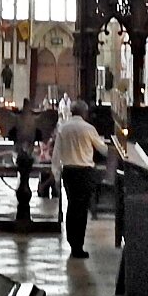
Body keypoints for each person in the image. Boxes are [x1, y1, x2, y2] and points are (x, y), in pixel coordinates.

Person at [51, 97, 109, 259]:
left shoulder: (63, 128)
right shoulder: (88, 129)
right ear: (84, 113)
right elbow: (103, 150)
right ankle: (79, 246)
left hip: (69, 172)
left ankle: (72, 243)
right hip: (85, 172)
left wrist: (56, 175)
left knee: (72, 207)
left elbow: (56, 154)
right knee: (82, 209)